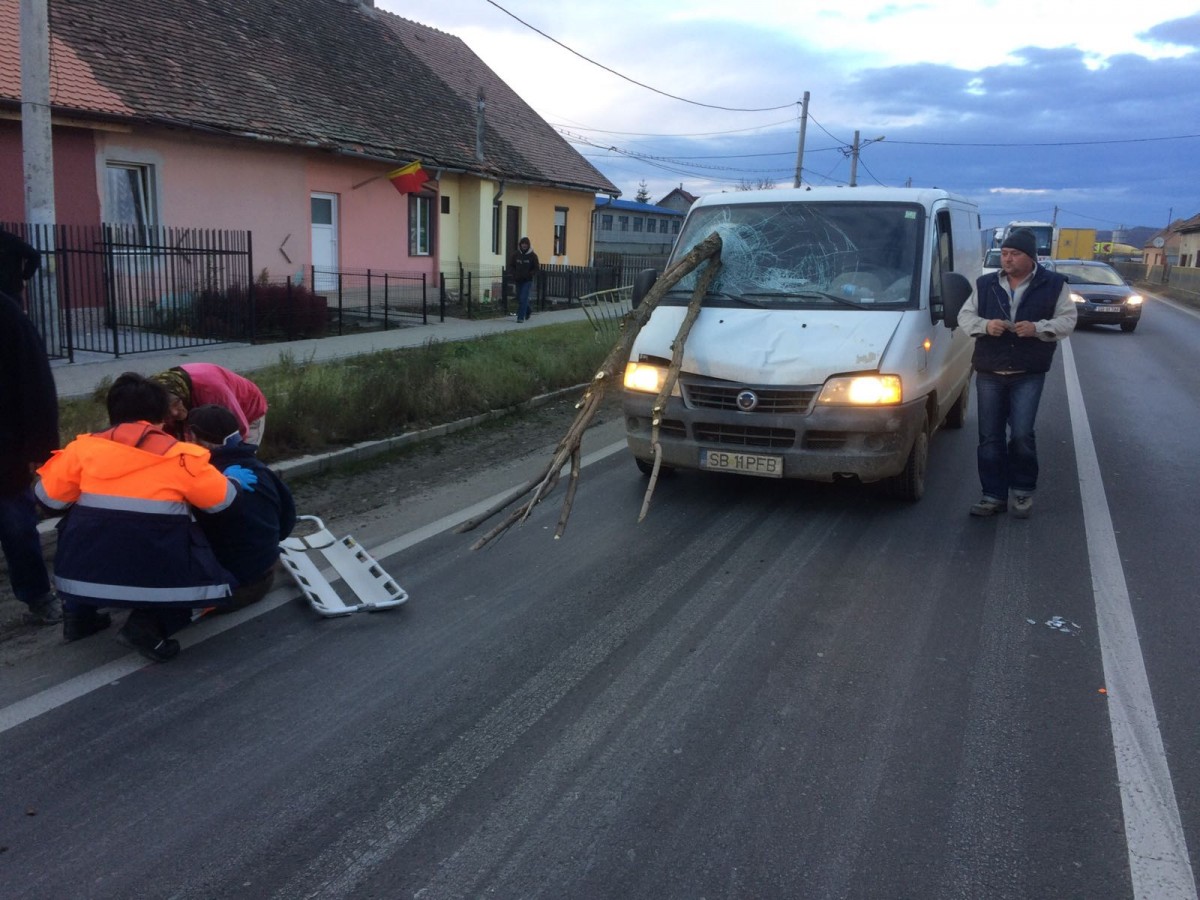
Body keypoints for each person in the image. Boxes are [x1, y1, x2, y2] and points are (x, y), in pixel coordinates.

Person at [35, 373, 258, 662]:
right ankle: (148, 625)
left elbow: (47, 500)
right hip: (154, 574)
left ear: (112, 413)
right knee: (218, 578)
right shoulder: (182, 456)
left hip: (80, 576)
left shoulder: (80, 449)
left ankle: (79, 617)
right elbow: (223, 505)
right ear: (163, 417)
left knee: (78, 518)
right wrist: (234, 481)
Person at [957, 228, 1077, 518]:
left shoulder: (1054, 284)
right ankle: (992, 496)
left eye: (1014, 254)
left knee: (1022, 434)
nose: (1007, 259)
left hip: (1028, 372)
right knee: (989, 437)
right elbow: (965, 316)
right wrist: (986, 326)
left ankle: (1022, 492)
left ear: (1030, 257)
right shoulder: (985, 284)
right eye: (1005, 254)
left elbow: (1068, 320)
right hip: (990, 371)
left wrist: (1038, 328)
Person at [187, 404, 296, 610]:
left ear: (196, 439)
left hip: (235, 588)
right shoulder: (260, 470)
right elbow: (288, 519)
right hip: (264, 572)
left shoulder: (205, 481)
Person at [0, 288, 61, 626]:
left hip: (5, 449)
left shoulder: (7, 315)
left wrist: (40, 447)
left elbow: (36, 381)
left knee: (18, 527)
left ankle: (37, 594)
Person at [151, 363, 268, 444]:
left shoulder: (212, 391)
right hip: (202, 408)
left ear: (181, 394)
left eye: (176, 403)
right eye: (166, 410)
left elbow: (237, 431)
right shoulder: (155, 393)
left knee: (238, 464)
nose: (174, 412)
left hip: (247, 411)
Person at [0, 226, 41, 301]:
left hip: (9, 289)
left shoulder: (11, 240)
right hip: (10, 288)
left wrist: (25, 276)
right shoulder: (11, 239)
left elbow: (34, 255)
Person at [508, 237, 539, 323]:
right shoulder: (515, 255)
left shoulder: (533, 256)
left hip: (527, 280)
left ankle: (520, 318)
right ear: (520, 245)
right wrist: (513, 273)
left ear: (528, 245)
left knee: (523, 298)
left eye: (526, 244)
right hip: (518, 280)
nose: (524, 245)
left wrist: (530, 274)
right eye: (523, 243)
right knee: (519, 298)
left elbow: (536, 268)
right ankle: (528, 310)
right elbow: (511, 265)